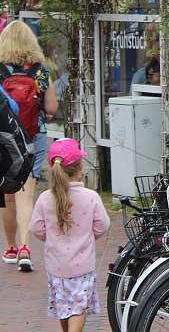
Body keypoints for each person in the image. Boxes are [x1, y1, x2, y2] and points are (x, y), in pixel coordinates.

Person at [29, 139, 109, 329]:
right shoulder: (91, 197)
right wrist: (87, 237)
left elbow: (36, 228)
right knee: (78, 309)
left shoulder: (45, 198)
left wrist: (51, 238)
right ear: (80, 167)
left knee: (64, 308)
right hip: (82, 266)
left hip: (56, 266)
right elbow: (102, 225)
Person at [1, 20, 58, 271]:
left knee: (7, 195)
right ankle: (26, 247)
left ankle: (11, 246)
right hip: (33, 138)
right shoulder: (41, 71)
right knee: (27, 194)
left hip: (4, 139)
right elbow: (52, 109)